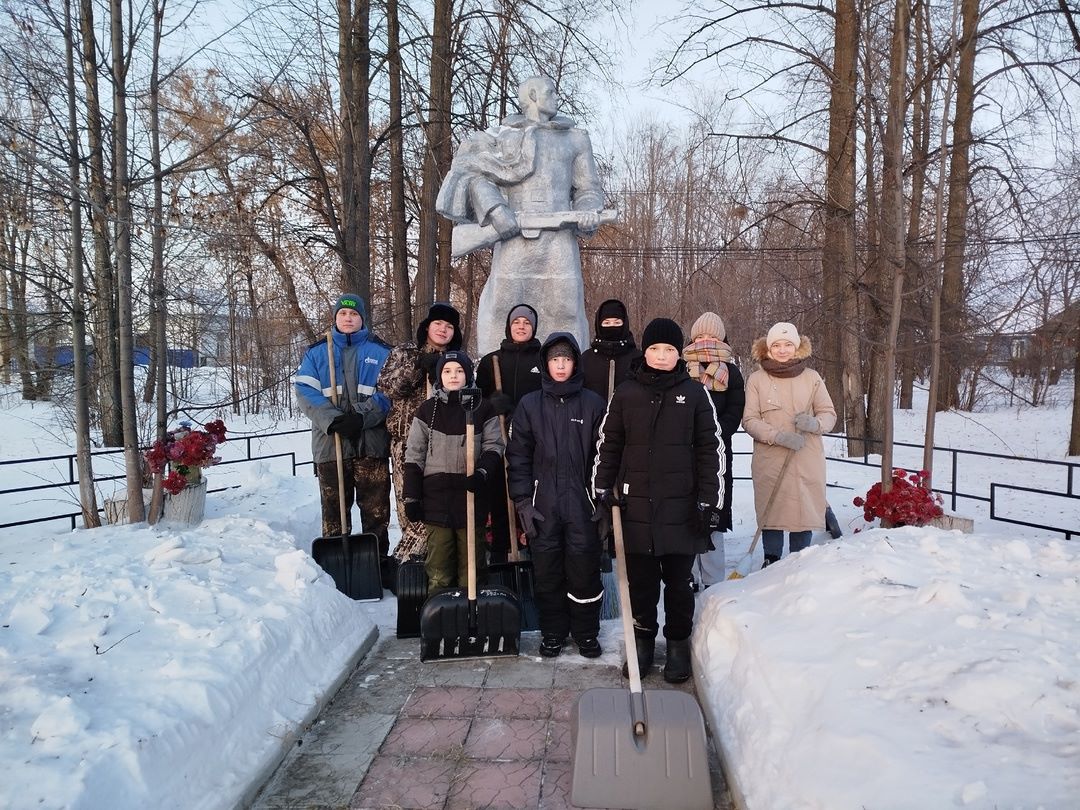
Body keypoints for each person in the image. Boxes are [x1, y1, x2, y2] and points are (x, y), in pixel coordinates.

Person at [592, 318, 723, 683]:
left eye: (668, 350)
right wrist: (602, 491)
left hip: (681, 508)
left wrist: (707, 502)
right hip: (635, 509)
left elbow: (710, 450)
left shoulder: (695, 393)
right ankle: (643, 642)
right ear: (644, 351)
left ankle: (678, 643)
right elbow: (609, 445)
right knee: (641, 584)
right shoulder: (626, 393)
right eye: (654, 349)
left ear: (678, 353)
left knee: (679, 584)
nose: (661, 356)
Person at [436, 76, 605, 354]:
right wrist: (496, 210)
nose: (555, 95)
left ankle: (567, 375)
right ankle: (494, 380)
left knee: (566, 312)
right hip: (513, 237)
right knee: (503, 310)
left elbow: (588, 188)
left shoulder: (575, 139)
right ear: (534, 95)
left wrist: (587, 211)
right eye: (550, 91)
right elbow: (470, 173)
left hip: (559, 241)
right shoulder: (502, 137)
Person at [506, 333, 607, 658]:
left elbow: (605, 456)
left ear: (575, 362)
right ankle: (553, 633)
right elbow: (518, 456)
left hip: (583, 504)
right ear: (546, 364)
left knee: (584, 570)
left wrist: (602, 499)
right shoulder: (530, 405)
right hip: (543, 505)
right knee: (547, 572)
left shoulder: (593, 403)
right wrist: (523, 501)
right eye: (554, 359)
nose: (561, 365)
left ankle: (586, 633)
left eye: (566, 359)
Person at [294, 294, 392, 561]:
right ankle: (337, 562)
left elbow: (390, 393)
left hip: (370, 442)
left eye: (354, 314)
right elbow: (305, 391)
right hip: (330, 443)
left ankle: (378, 562)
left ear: (362, 318)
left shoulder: (381, 352)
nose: (348, 319)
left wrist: (361, 417)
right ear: (335, 318)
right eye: (343, 314)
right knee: (334, 507)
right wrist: (333, 419)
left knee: (376, 509)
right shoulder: (316, 353)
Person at [402, 351, 504, 590]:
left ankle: (472, 618)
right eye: (447, 371)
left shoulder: (483, 408)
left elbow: (494, 446)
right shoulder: (427, 410)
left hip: (471, 499)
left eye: (459, 371)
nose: (454, 376)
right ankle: (441, 618)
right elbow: (414, 456)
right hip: (436, 502)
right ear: (439, 377)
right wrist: (412, 497)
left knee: (472, 569)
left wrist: (482, 473)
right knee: (439, 570)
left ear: (468, 375)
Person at [741, 321, 837, 567]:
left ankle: (798, 560)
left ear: (797, 347)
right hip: (770, 458)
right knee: (772, 510)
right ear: (767, 348)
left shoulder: (812, 378)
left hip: (806, 457)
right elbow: (750, 419)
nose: (782, 350)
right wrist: (777, 436)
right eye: (776, 345)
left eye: (787, 345)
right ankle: (771, 560)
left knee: (802, 509)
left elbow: (829, 414)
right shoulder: (756, 380)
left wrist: (814, 424)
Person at [378, 302, 463, 561]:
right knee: (410, 508)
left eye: (449, 327)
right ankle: (408, 564)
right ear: (427, 327)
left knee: (439, 508)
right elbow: (388, 386)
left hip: (444, 447)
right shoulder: (406, 352)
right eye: (438, 324)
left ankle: (429, 564)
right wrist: (418, 366)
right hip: (407, 445)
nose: (443, 330)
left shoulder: (457, 360)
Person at [475, 304, 543, 563]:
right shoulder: (491, 361)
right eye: (517, 322)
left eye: (527, 322)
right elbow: (477, 402)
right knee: (499, 497)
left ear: (534, 327)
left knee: (529, 496)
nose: (522, 326)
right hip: (498, 439)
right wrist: (494, 403)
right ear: (509, 326)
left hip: (532, 441)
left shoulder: (542, 360)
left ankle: (534, 551)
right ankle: (500, 554)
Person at [683, 311, 745, 590]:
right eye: (700, 336)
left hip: (717, 452)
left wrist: (716, 434)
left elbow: (735, 409)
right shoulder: (681, 369)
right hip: (683, 452)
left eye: (711, 336)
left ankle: (713, 581)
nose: (705, 341)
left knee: (713, 515)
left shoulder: (731, 372)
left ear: (721, 338)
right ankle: (689, 575)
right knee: (684, 512)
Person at [580, 298, 640, 402]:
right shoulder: (586, 359)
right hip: (594, 416)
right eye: (606, 323)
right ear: (599, 325)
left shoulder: (638, 358)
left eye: (617, 323)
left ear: (625, 324)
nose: (612, 326)